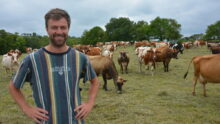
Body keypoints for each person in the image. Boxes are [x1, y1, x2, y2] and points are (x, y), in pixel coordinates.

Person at [9, 8, 99, 124]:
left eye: (63, 27)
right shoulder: (32, 59)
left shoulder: (80, 58)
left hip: (75, 121)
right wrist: (27, 109)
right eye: (54, 27)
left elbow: (95, 82)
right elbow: (13, 86)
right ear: (47, 29)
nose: (59, 31)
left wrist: (90, 103)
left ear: (68, 29)